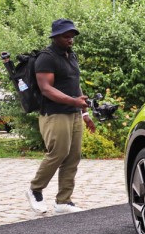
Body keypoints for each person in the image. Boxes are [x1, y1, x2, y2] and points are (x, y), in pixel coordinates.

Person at [25, 19, 97, 215]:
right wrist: (74, 102)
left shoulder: (70, 56)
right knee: (58, 153)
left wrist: (84, 112)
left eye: (72, 36)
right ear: (55, 37)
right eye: (66, 36)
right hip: (54, 114)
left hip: (73, 114)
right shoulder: (46, 58)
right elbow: (46, 89)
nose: (70, 39)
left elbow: (75, 85)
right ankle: (35, 189)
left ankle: (63, 201)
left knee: (73, 156)